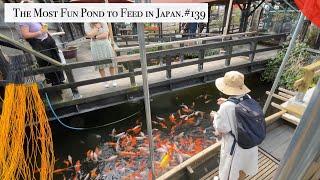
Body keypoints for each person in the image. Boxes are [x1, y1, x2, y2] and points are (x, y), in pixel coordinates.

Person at [212, 71, 258, 180]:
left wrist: (215, 116)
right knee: (243, 166)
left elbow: (221, 128)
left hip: (236, 146)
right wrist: (227, 101)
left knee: (229, 170)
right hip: (250, 141)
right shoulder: (248, 98)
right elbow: (237, 105)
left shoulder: (226, 107)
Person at [19, 1, 65, 86]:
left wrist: (47, 33)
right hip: (39, 43)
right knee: (47, 61)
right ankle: (54, 83)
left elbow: (44, 28)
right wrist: (40, 32)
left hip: (48, 40)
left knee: (56, 59)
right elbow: (25, 35)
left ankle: (60, 80)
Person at [84, 22, 117, 88]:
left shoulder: (103, 21)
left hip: (105, 44)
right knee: (100, 64)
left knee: (110, 62)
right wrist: (97, 27)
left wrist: (95, 36)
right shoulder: (86, 23)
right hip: (95, 46)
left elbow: (105, 35)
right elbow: (90, 35)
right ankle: (105, 81)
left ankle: (113, 79)